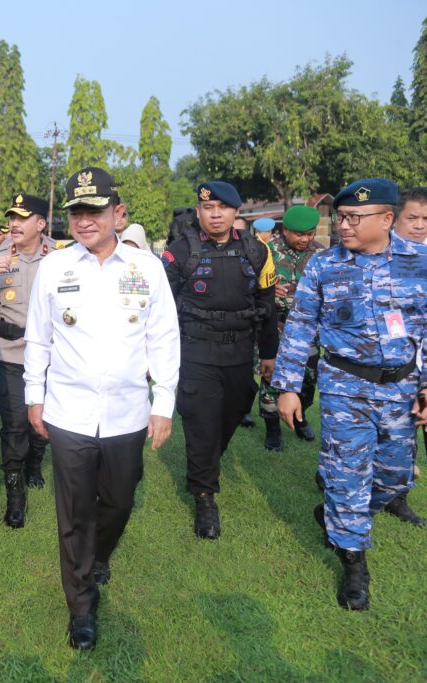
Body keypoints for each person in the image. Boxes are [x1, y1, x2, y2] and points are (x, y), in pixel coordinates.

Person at [25, 167, 179, 650]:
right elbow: (38, 337)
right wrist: (34, 395)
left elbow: (163, 337)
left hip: (127, 413)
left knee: (119, 500)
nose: (84, 220)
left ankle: (97, 556)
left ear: (118, 213)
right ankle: (81, 607)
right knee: (73, 513)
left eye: (94, 210)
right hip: (68, 411)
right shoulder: (54, 266)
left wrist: (163, 403)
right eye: (76, 211)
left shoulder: (147, 268)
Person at [273, 178, 427, 610]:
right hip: (345, 387)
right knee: (347, 476)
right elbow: (300, 326)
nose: (344, 225)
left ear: (387, 219)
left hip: (401, 388)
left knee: (396, 475)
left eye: (355, 218)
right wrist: (288, 386)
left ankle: (337, 514)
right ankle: (354, 565)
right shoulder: (325, 265)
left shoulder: (419, 261)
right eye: (341, 217)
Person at [161, 181, 278, 540]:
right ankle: (204, 496)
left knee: (229, 417)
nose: (215, 215)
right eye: (208, 208)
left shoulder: (257, 250)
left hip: (240, 352)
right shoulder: (179, 252)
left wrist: (269, 353)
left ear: (236, 212)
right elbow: (161, 310)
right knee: (201, 424)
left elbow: (267, 304)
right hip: (196, 352)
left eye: (223, 208)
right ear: (198, 211)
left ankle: (206, 465)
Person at [0, 193, 56, 528]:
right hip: (11, 353)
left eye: (22, 218)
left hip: (51, 357)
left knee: (42, 419)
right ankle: (15, 494)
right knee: (13, 424)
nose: (14, 224)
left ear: (40, 224)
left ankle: (34, 464)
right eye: (11, 217)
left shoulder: (59, 258)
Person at [257, 206, 325, 452]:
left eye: (309, 233)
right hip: (275, 327)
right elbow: (247, 285)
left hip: (308, 332)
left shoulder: (321, 254)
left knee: (308, 381)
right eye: (299, 234)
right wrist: (266, 290)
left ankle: (300, 416)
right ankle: (272, 429)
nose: (305, 239)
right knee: (271, 380)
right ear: (285, 230)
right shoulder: (266, 251)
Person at [385, 187, 427, 525]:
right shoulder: (383, 257)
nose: (420, 225)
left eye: (426, 219)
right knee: (392, 435)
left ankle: (397, 496)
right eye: (412, 217)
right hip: (396, 364)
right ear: (394, 218)